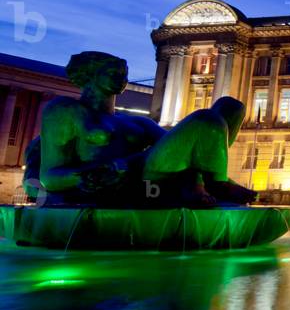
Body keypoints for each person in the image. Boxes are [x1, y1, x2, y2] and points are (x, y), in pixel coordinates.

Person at [30, 51, 255, 208]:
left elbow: (182, 147)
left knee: (231, 108)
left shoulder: (136, 121)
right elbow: (49, 176)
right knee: (206, 119)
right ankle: (218, 184)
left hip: (145, 170)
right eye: (113, 72)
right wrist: (89, 175)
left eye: (124, 72)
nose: (123, 78)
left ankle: (210, 181)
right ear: (90, 74)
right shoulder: (65, 110)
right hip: (123, 179)